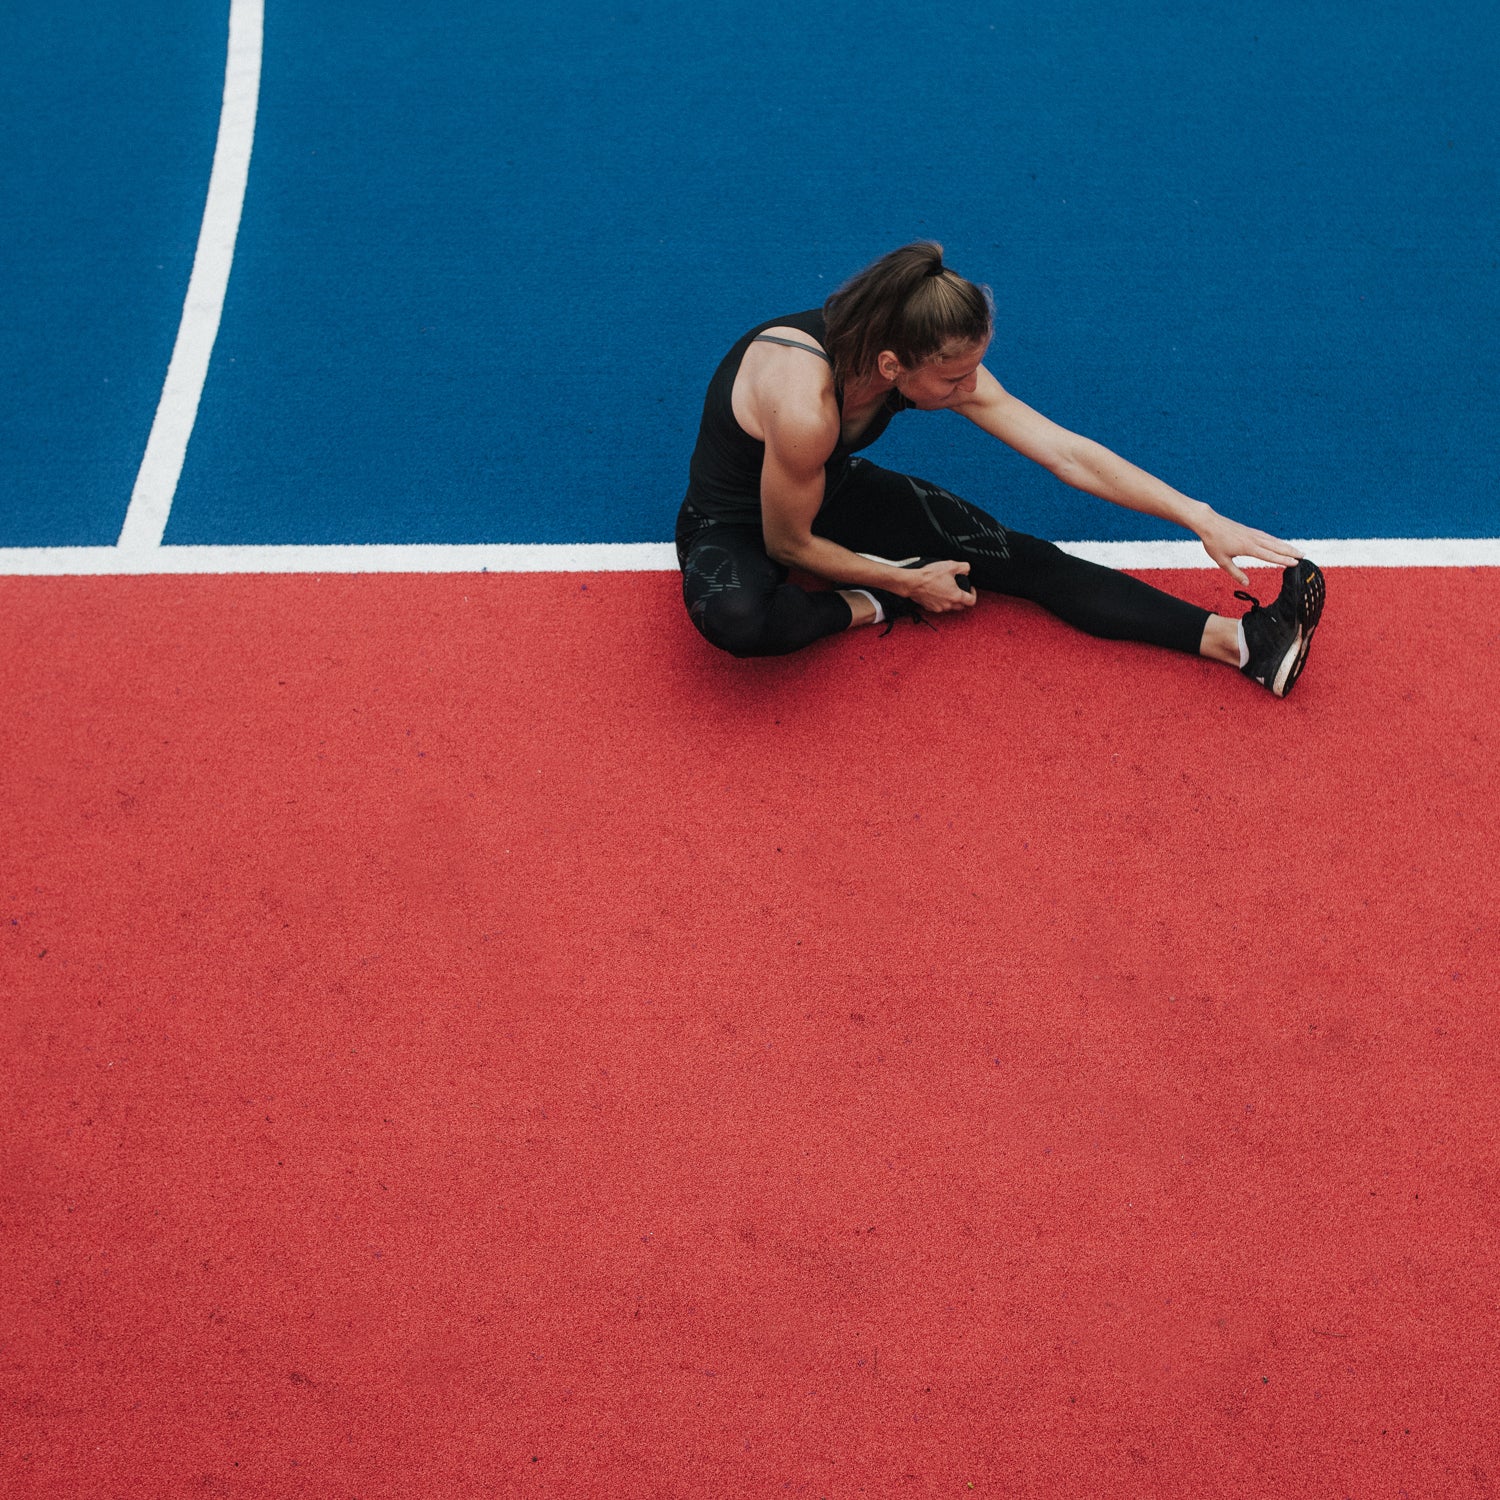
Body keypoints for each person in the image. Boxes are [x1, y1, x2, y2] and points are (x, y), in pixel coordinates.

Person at [676, 241, 1324, 696]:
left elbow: (1067, 453)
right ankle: (865, 603)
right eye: (954, 378)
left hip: (828, 490)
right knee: (739, 622)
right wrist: (906, 585)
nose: (969, 388)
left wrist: (1199, 516)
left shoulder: (915, 350)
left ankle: (1243, 644)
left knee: (1021, 558)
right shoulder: (802, 404)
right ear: (892, 367)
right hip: (731, 521)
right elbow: (788, 543)